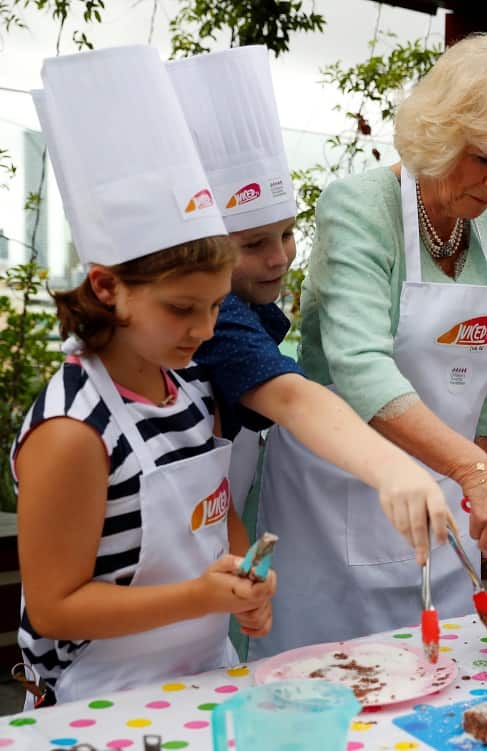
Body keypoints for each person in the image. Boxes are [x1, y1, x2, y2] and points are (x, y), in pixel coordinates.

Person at [251, 32, 487, 657]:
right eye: (485, 159)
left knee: (444, 678)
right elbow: (360, 367)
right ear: (443, 133)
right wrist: (476, 471)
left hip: (444, 503)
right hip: (336, 499)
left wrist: (474, 470)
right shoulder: (360, 206)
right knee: (341, 686)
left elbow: (475, 368)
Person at [13, 46, 274, 707]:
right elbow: (54, 606)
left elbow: (217, 523)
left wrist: (246, 580)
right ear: (106, 286)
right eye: (181, 309)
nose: (204, 329)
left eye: (216, 306)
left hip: (205, 679)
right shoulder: (73, 430)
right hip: (96, 700)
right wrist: (196, 596)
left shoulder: (190, 392)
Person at [168, 46, 450, 563]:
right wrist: (394, 467)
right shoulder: (219, 318)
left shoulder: (244, 309)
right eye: (253, 245)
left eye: (288, 234)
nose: (280, 259)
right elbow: (293, 399)